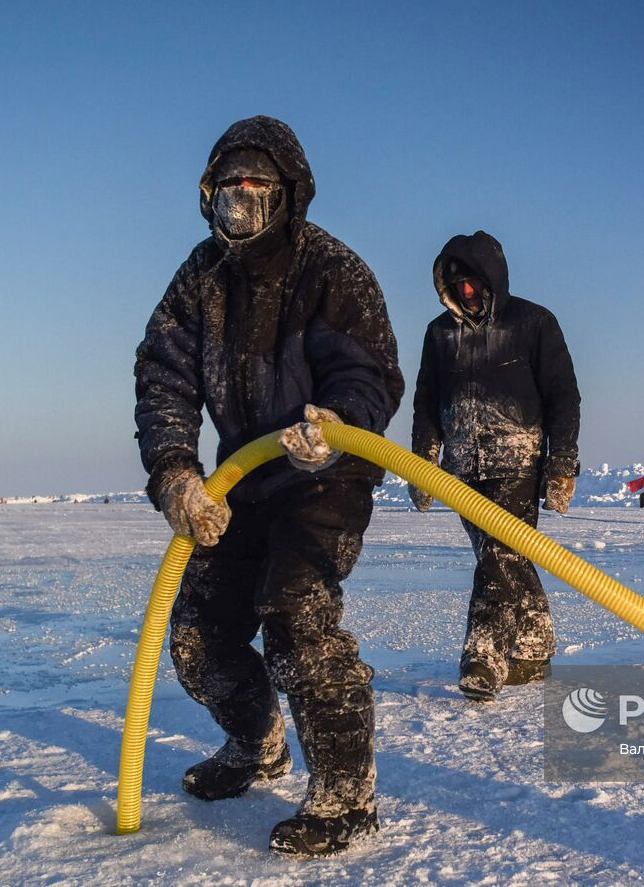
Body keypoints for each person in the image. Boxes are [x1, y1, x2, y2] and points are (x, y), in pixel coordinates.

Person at [134, 116, 402, 857]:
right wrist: (176, 474)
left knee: (296, 617)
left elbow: (367, 369)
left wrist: (339, 420)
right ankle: (258, 743)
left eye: (258, 186)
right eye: (230, 186)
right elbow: (163, 379)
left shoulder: (332, 271)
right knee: (195, 637)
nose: (242, 198)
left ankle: (346, 794)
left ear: (287, 194)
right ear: (207, 195)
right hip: (243, 481)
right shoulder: (199, 279)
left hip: (326, 472)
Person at [408, 231, 582, 702]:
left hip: (517, 461)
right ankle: (532, 646)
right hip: (464, 467)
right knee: (505, 558)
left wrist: (562, 463)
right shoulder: (439, 334)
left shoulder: (534, 323)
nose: (467, 292)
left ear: (494, 281)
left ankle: (483, 655)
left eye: (475, 283)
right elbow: (426, 402)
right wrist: (423, 461)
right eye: (458, 284)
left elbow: (563, 396)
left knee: (500, 555)